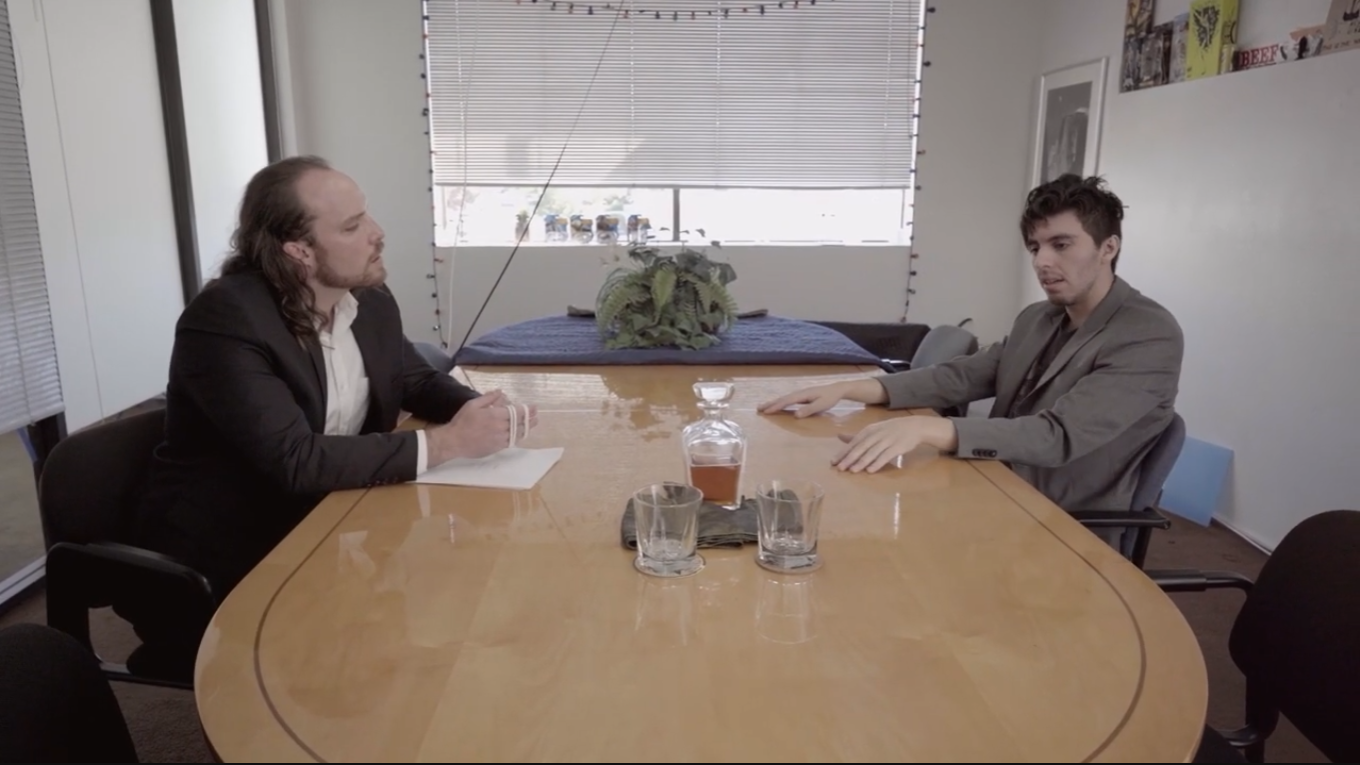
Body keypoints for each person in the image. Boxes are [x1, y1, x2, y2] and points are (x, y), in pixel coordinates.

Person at [126, 156, 536, 661]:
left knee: (465, 602)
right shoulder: (226, 321)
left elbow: (413, 379)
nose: (377, 233)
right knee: (398, 659)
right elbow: (295, 460)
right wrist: (449, 443)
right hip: (242, 553)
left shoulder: (368, 299)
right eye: (352, 225)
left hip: (333, 523)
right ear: (298, 251)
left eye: (367, 215)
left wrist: (485, 410)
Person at [758, 174, 1183, 523]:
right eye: (1035, 248)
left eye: (1061, 244)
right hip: (993, 484)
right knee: (839, 499)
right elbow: (962, 376)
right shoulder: (1038, 317)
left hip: (1060, 520)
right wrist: (851, 388)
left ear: (1108, 247)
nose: (1042, 262)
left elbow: (1058, 436)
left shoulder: (1147, 334)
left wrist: (927, 429)